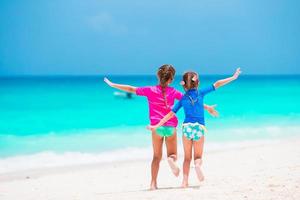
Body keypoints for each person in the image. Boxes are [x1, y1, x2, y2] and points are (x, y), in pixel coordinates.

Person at [104, 64, 218, 190]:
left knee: (156, 157)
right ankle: (171, 160)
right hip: (170, 127)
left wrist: (113, 84)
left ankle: (153, 183)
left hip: (156, 127)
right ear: (171, 79)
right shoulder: (174, 92)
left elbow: (131, 89)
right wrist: (207, 107)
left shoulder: (150, 90)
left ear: (158, 76)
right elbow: (190, 100)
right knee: (173, 154)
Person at [147, 68, 241, 188]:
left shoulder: (182, 99)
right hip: (199, 128)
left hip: (186, 128)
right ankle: (197, 166)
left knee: (187, 158)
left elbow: (170, 114)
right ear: (198, 83)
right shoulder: (201, 93)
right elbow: (217, 84)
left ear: (183, 85)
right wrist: (233, 77)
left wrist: (156, 125)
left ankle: (184, 182)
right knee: (197, 157)